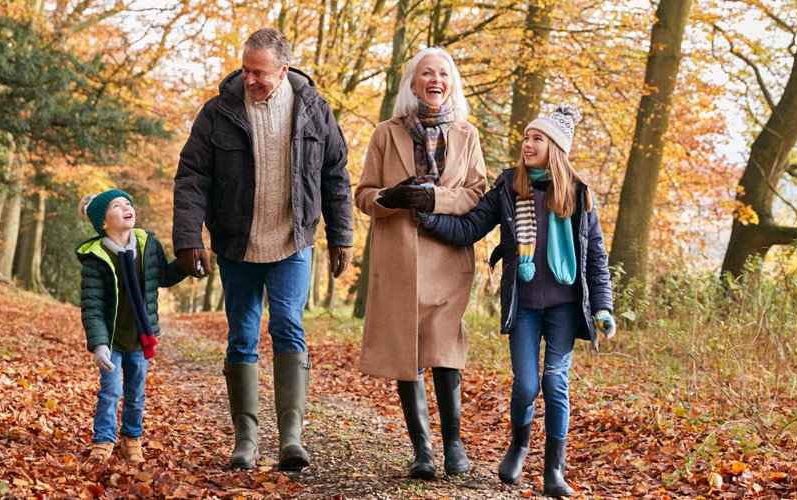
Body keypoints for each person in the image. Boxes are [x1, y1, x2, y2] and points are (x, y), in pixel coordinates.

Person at [171, 28, 354, 471]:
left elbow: (335, 174)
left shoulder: (314, 110)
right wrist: (188, 237)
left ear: (284, 69)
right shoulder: (218, 112)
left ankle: (291, 439)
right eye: (245, 69)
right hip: (238, 243)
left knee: (289, 326)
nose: (249, 79)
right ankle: (246, 441)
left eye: (260, 73)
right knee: (242, 335)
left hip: (292, 240)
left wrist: (341, 235)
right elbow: (192, 176)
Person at [422, 106, 616, 497]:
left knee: (555, 382)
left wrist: (603, 307)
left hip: (564, 306)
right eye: (526, 138)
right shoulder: (510, 187)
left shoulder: (579, 195)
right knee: (527, 384)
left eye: (537, 139)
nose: (528, 145)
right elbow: (470, 227)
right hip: (524, 305)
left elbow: (595, 256)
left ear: (556, 148)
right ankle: (520, 444)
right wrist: (428, 214)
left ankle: (554, 471)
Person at [353, 47, 488, 479]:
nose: (435, 80)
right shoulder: (384, 133)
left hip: (448, 257)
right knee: (406, 351)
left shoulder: (468, 135)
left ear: (452, 83)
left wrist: (434, 198)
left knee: (446, 351)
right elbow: (364, 196)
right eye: (426, 73)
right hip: (398, 261)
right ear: (413, 84)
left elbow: (476, 195)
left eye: (443, 74)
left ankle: (454, 447)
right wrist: (389, 198)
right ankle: (423, 453)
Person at [76, 189, 187, 463]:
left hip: (139, 337)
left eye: (128, 203)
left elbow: (163, 276)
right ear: (103, 222)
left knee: (136, 392)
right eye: (117, 205)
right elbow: (92, 306)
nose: (127, 207)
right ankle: (103, 441)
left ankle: (132, 439)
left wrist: (186, 264)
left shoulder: (148, 244)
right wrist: (99, 345)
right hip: (112, 339)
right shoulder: (96, 258)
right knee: (111, 391)